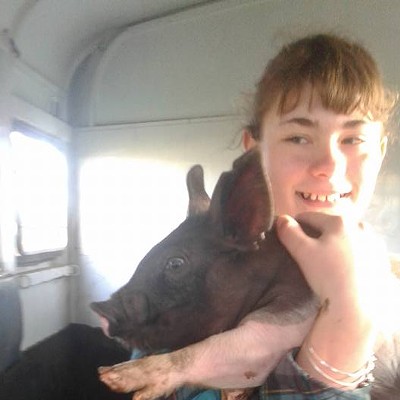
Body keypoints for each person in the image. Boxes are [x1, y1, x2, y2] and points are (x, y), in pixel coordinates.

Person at [98, 33, 399, 399]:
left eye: (353, 140)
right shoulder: (185, 307)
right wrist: (347, 319)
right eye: (299, 138)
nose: (329, 166)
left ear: (380, 151)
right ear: (254, 150)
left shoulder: (389, 276)